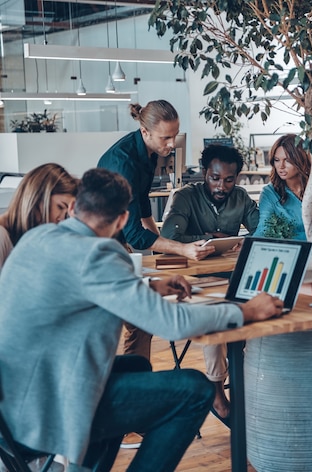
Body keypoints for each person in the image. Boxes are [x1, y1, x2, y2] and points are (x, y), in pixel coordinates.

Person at [0, 168, 284, 471]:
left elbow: (80, 291)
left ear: (73, 208)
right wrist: (246, 311)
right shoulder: (97, 253)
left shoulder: (37, 237)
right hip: (45, 412)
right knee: (194, 389)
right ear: (123, 220)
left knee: (135, 365)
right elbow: (174, 325)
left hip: (12, 404)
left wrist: (148, 289)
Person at [97, 101, 213, 411]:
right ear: (145, 131)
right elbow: (134, 234)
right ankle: (127, 410)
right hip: (103, 245)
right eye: (165, 138)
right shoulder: (124, 161)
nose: (172, 144)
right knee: (135, 318)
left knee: (139, 319)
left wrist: (162, 246)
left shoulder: (146, 153)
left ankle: (131, 402)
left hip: (119, 241)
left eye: (175, 135)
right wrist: (182, 249)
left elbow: (142, 206)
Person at [161, 144, 259, 425]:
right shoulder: (185, 197)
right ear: (205, 173)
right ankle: (216, 391)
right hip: (192, 280)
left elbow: (262, 228)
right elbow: (169, 236)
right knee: (214, 315)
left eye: (229, 180)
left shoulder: (240, 198)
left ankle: (250, 386)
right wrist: (208, 237)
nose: (221, 185)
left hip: (230, 276)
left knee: (260, 309)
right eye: (215, 178)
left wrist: (242, 240)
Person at [254, 134, 312, 241]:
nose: (281, 166)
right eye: (277, 160)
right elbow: (264, 230)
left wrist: (284, 236)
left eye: (287, 160)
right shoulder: (269, 193)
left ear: (300, 159)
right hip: (286, 251)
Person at [0, 163, 78, 269]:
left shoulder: (21, 238)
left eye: (65, 216)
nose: (60, 220)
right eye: (59, 207)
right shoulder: (2, 236)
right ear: (38, 196)